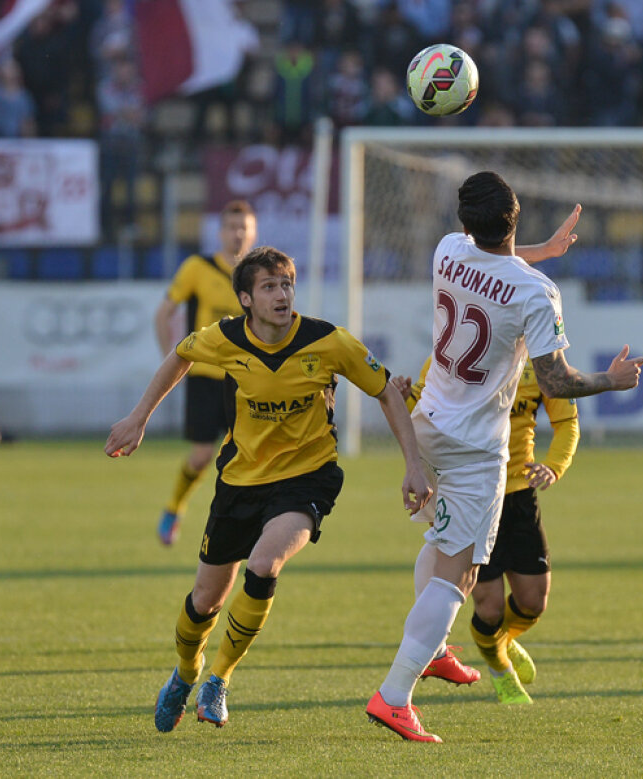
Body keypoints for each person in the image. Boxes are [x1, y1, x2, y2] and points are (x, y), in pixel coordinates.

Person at [366, 171, 643, 743]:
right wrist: (612, 381)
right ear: (514, 219)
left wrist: (541, 251)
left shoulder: (447, 251)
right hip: (476, 446)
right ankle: (394, 697)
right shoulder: (536, 292)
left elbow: (493, 261)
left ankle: (436, 648)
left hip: (428, 425)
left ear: (467, 223)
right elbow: (557, 381)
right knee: (461, 574)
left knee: (436, 545)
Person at [105, 246, 431, 733]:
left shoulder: (329, 341)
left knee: (264, 564)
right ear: (246, 299)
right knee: (204, 601)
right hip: (240, 481)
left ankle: (218, 679)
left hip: (307, 478)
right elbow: (180, 356)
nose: (282, 295)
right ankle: (186, 673)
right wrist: (138, 418)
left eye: (287, 285)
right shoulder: (224, 339)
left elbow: (385, 390)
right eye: (269, 287)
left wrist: (413, 465)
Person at [393, 352, 579, 704]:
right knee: (489, 607)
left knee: (533, 601)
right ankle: (498, 667)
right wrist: (405, 397)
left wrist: (554, 466)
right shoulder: (454, 351)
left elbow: (567, 421)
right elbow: (422, 402)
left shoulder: (540, 362)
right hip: (471, 490)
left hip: (519, 495)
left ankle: (500, 641)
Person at [153, 200, 257, 546]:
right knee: (201, 455)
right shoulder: (197, 267)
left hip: (245, 380)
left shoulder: (259, 275)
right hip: (204, 378)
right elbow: (164, 313)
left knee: (249, 456)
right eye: (231, 227)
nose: (237, 233)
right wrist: (172, 358)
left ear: (253, 231)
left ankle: (247, 523)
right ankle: (174, 508)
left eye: (244, 227)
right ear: (220, 232)